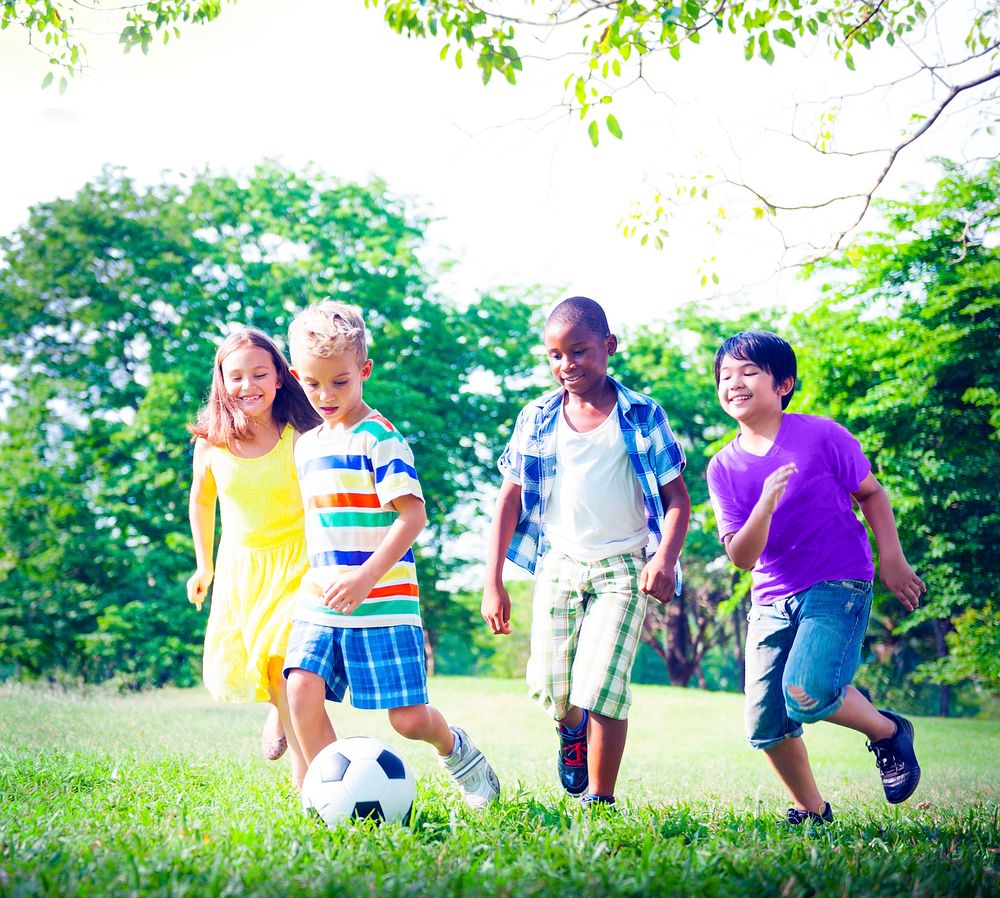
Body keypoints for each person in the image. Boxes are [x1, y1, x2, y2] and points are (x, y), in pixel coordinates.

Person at [281, 299, 500, 809]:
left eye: (340, 381)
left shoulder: (381, 439)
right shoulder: (306, 445)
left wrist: (364, 578)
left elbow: (412, 517)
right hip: (322, 598)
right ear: (296, 376)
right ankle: (330, 800)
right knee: (300, 692)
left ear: (364, 371)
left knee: (408, 720)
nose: (326, 395)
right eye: (313, 384)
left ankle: (460, 754)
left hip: (382, 599)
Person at [706, 330, 925, 825]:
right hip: (770, 600)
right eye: (725, 375)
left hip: (838, 583)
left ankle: (889, 731)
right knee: (764, 723)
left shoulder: (822, 435)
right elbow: (742, 556)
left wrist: (892, 559)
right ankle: (812, 810)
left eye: (748, 372)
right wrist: (763, 505)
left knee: (806, 691)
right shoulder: (723, 467)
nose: (734, 383)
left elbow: (872, 494)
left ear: (782, 383)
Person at [482, 296, 690, 808]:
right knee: (554, 689)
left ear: (608, 347)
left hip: (625, 567)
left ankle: (601, 798)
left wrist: (664, 557)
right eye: (555, 355)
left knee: (602, 685)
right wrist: (494, 581)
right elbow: (509, 499)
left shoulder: (641, 414)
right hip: (559, 563)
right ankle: (570, 734)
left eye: (579, 352)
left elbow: (677, 499)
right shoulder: (537, 418)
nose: (566, 365)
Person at [187, 328, 322, 787]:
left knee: (286, 659)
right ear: (221, 382)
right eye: (236, 376)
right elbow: (202, 502)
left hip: (301, 563)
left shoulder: (302, 434)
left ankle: (309, 784)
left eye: (260, 374)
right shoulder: (212, 443)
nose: (249, 386)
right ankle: (278, 713)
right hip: (243, 568)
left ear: (281, 377)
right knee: (267, 661)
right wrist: (203, 564)